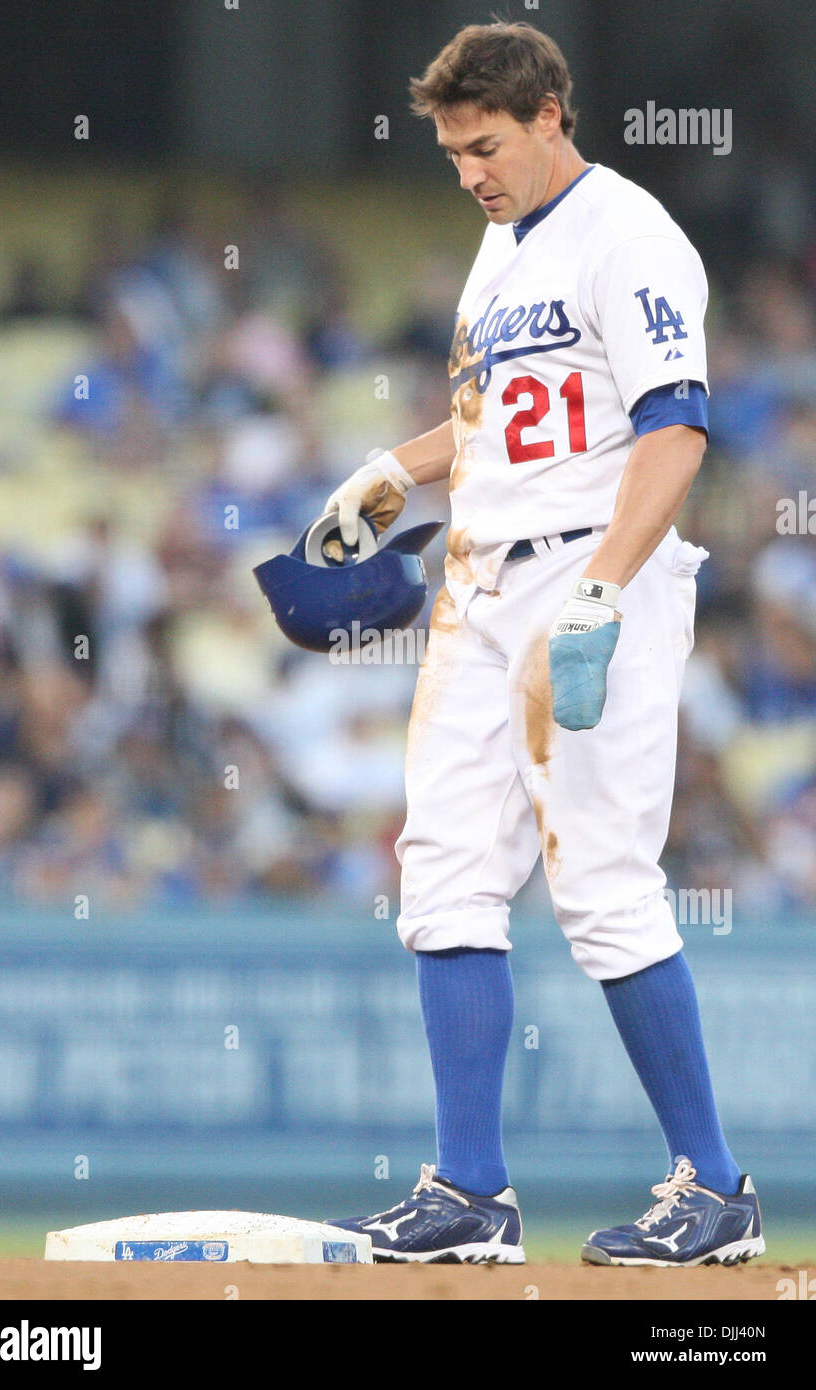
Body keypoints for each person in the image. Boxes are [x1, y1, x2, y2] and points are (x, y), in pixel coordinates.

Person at [326, 22, 764, 1266]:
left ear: (549, 113)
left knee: (601, 884)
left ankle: (714, 1187)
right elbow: (498, 428)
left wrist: (604, 592)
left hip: (590, 564)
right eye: (453, 150)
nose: (468, 168)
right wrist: (390, 473)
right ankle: (469, 1191)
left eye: (484, 143)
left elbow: (674, 429)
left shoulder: (626, 233)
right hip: (481, 573)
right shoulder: (497, 251)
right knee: (446, 870)